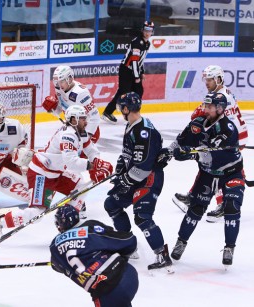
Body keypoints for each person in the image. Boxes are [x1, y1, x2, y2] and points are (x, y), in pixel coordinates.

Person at [0, 105, 113, 236]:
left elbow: (91, 150)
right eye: (83, 118)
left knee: (81, 186)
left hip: (56, 172)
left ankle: (70, 222)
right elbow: (71, 162)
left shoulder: (80, 132)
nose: (86, 121)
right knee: (36, 214)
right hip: (41, 174)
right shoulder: (68, 136)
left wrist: (97, 162)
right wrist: (94, 166)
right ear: (73, 120)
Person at [167, 92, 244, 267]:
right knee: (195, 209)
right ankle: (181, 242)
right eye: (205, 105)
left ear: (220, 109)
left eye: (209, 107)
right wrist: (168, 152)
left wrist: (188, 154)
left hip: (230, 173)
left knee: (231, 207)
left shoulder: (228, 129)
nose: (205, 109)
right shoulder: (198, 123)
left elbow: (208, 155)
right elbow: (180, 141)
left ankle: (229, 248)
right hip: (208, 174)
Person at [103, 92, 173, 272]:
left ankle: (162, 255)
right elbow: (128, 153)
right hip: (135, 176)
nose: (119, 111)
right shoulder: (132, 126)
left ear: (127, 108)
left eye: (121, 108)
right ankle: (128, 245)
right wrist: (120, 166)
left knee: (142, 216)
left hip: (149, 178)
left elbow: (143, 167)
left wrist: (125, 180)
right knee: (111, 204)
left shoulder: (144, 132)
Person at [172, 65, 249, 223]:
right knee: (209, 165)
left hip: (231, 136)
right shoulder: (220, 93)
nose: (206, 82)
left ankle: (222, 204)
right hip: (231, 133)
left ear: (219, 79)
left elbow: (196, 115)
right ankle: (194, 195)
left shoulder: (221, 97)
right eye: (205, 79)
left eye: (209, 79)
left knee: (217, 167)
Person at [49, 205, 139, 307]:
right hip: (128, 274)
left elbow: (57, 266)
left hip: (108, 292)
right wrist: (123, 258)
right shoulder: (90, 227)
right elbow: (128, 241)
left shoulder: (54, 247)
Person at [102, 21, 154, 124]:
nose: (148, 33)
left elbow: (140, 60)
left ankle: (132, 111)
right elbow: (134, 61)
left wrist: (141, 72)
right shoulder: (137, 42)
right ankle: (108, 112)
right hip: (126, 70)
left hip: (134, 70)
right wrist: (136, 76)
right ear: (142, 30)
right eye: (146, 30)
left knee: (138, 91)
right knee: (123, 92)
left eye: (150, 31)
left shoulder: (147, 43)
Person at [42, 65, 102, 145]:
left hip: (87, 131)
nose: (59, 85)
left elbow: (95, 117)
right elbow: (61, 109)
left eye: (62, 81)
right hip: (71, 129)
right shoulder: (59, 89)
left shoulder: (81, 93)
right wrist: (53, 108)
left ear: (70, 79)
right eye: (57, 82)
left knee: (75, 156)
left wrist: (86, 137)